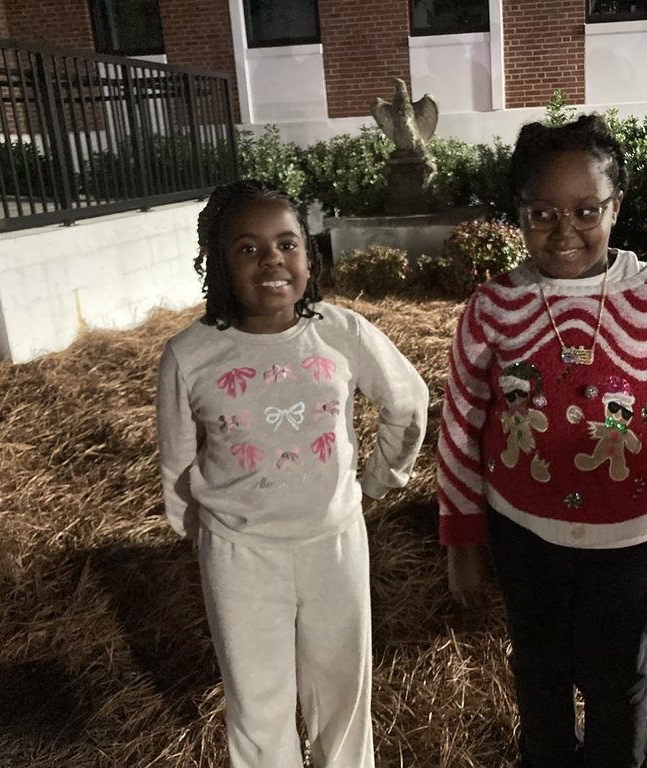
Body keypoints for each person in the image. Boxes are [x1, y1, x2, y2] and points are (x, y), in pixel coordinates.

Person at [436, 115, 647, 768]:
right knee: (536, 668)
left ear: (616, 206)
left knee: (616, 677)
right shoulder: (493, 308)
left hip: (632, 544)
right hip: (521, 534)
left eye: (585, 209)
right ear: (518, 212)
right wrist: (461, 537)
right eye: (541, 211)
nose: (563, 228)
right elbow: (460, 425)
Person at [156, 179, 429, 768]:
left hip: (333, 544)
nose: (272, 259)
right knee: (257, 709)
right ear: (217, 264)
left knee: (342, 696)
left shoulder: (342, 332)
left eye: (287, 243)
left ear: (309, 253)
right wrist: (196, 531)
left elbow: (407, 403)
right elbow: (177, 460)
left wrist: (379, 479)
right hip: (239, 555)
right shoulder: (189, 354)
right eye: (247, 248)